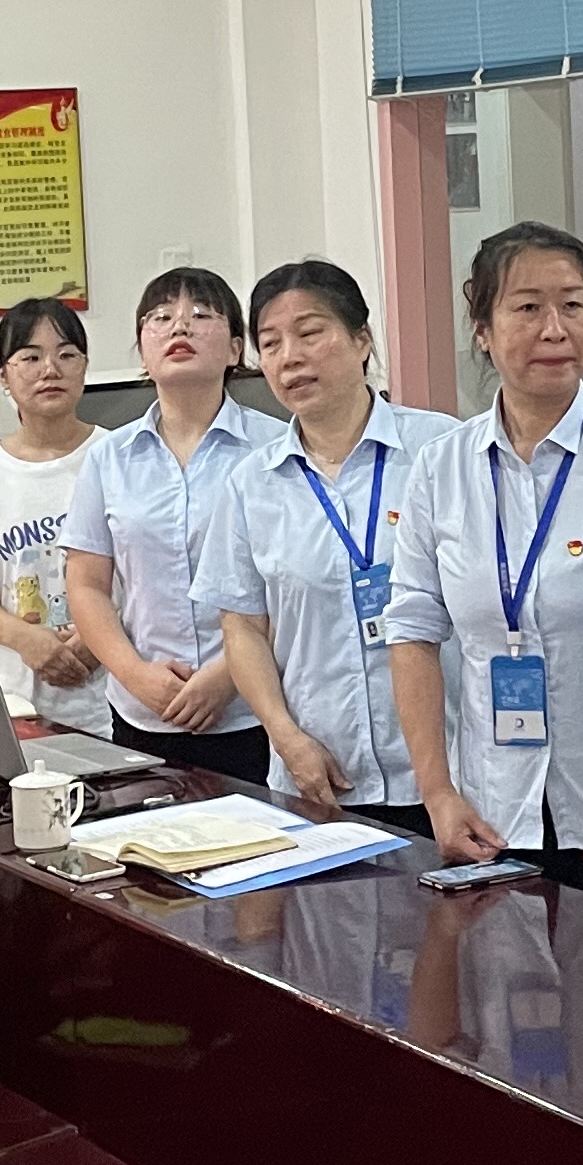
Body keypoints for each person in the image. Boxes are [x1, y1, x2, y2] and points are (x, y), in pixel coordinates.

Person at [386, 221, 583, 903]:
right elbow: (413, 634)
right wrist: (438, 795)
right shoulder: (441, 470)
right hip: (489, 818)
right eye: (527, 307)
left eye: (573, 304)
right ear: (483, 327)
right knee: (500, 1003)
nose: (555, 328)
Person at [214, 261, 453, 825]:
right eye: (269, 343)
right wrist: (284, 736)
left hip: (447, 776)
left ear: (362, 339)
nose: (289, 356)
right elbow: (243, 626)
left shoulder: (442, 450)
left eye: (310, 332)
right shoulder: (251, 483)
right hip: (317, 778)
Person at [62, 267, 285, 779]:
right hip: (143, 713)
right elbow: (87, 584)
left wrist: (229, 674)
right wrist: (135, 674)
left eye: (201, 315)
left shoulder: (275, 449)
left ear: (235, 349)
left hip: (257, 711)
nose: (179, 327)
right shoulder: (108, 457)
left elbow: (290, 583)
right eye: (160, 318)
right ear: (142, 350)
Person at [0, 298, 113, 739]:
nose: (50, 368)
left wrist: (100, 638)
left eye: (66, 354)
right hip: (20, 705)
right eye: (30, 357)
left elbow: (153, 575)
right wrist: (25, 639)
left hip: (117, 700)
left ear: (85, 366)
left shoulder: (119, 457)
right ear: (4, 375)